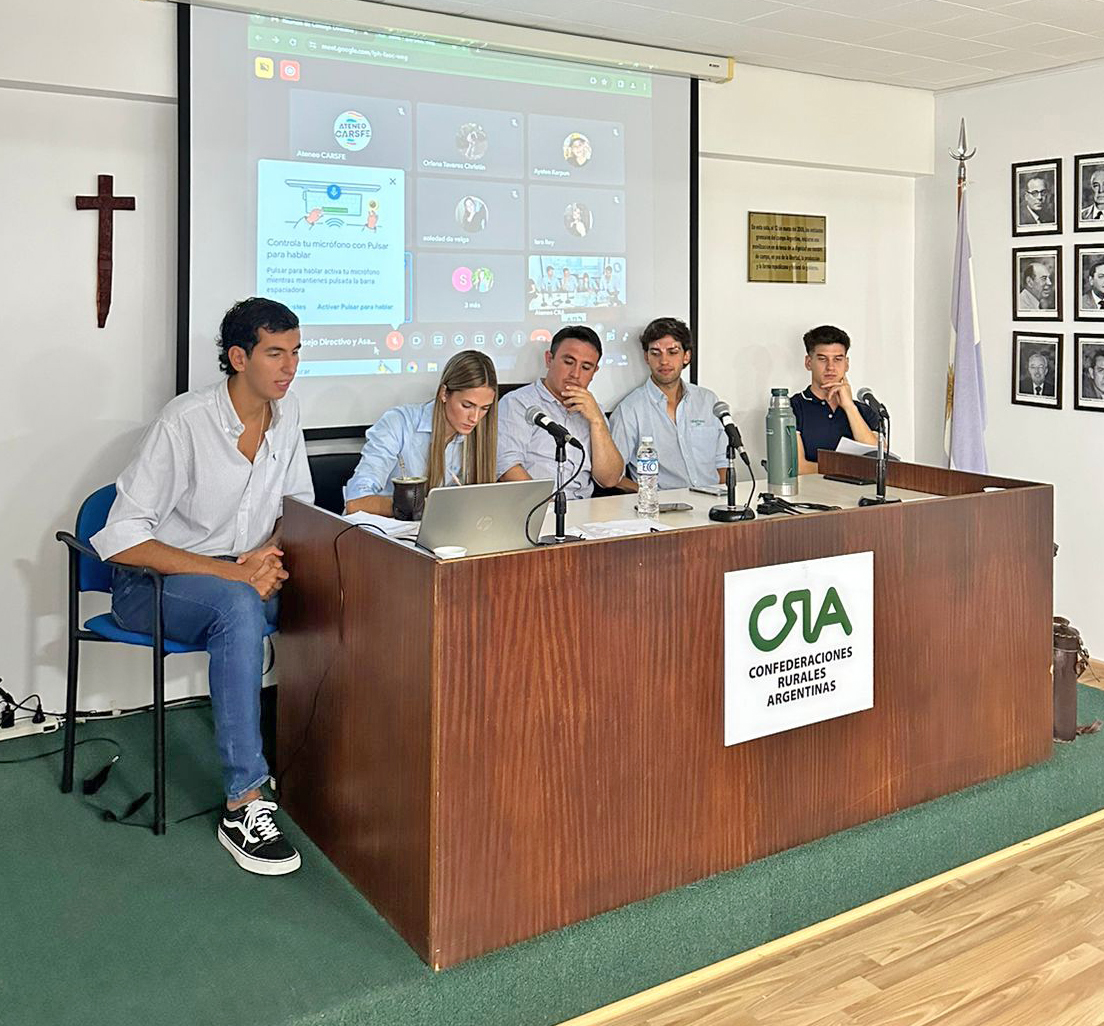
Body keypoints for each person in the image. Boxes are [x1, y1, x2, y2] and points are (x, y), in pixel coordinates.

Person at [90, 297, 313, 875]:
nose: (290, 366)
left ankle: (330, 769)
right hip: (149, 586)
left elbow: (297, 509)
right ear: (238, 357)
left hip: (242, 574)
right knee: (238, 607)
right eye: (275, 353)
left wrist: (268, 554)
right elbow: (120, 538)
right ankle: (244, 800)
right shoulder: (184, 422)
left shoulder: (288, 417)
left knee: (341, 597)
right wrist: (236, 574)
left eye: (295, 352)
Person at [344, 351, 499, 515]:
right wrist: (417, 507)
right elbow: (356, 502)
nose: (475, 418)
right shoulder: (398, 423)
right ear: (444, 393)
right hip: (383, 527)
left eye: (484, 408)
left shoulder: (479, 438)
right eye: (467, 406)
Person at [497, 325, 624, 499]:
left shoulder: (594, 411)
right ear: (549, 359)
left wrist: (597, 421)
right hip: (538, 506)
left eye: (586, 367)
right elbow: (507, 468)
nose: (575, 374)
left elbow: (609, 480)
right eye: (568, 362)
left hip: (586, 507)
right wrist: (546, 506)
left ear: (595, 372)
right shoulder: (517, 403)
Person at [610, 318, 727, 492]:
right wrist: (650, 495)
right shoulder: (630, 410)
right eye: (655, 353)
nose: (664, 361)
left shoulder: (708, 401)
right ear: (646, 357)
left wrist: (721, 496)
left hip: (712, 500)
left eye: (672, 352)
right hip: (663, 504)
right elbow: (613, 476)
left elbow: (723, 462)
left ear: (686, 356)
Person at [791, 325, 879, 474]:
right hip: (811, 489)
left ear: (847, 364)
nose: (830, 367)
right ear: (808, 362)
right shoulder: (792, 408)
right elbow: (799, 468)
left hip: (858, 490)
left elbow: (878, 461)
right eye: (822, 359)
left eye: (838, 359)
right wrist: (852, 470)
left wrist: (849, 407)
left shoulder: (863, 411)